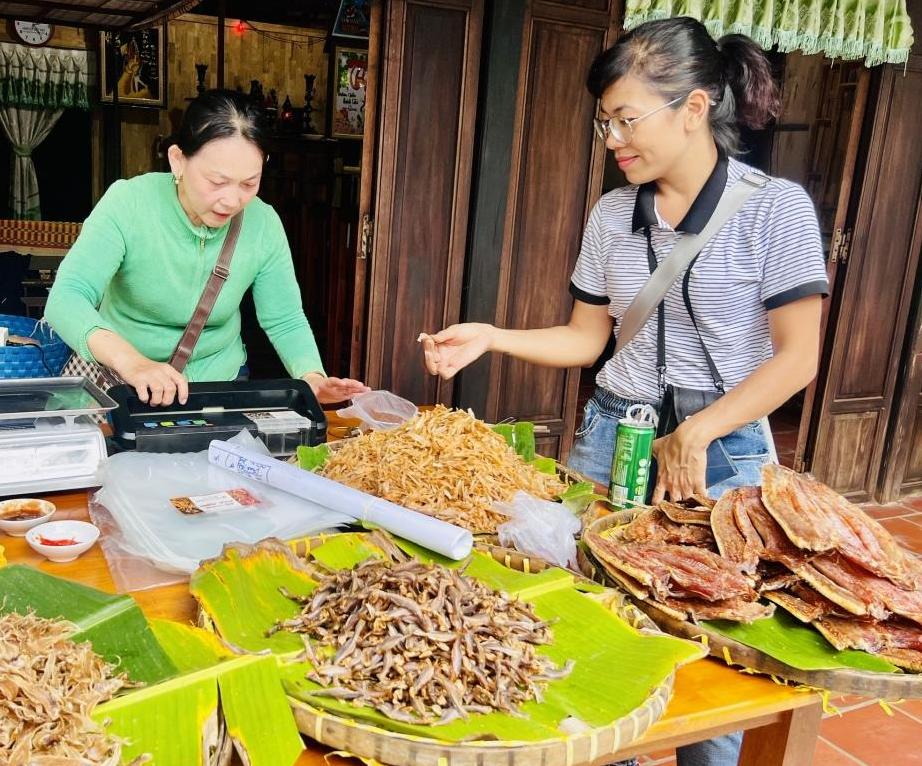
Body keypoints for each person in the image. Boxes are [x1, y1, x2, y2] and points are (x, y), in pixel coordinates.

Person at [422, 17, 828, 766]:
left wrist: (702, 430)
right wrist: (490, 334)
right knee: (597, 627)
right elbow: (587, 339)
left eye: (627, 119)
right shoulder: (614, 215)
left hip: (725, 453)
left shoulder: (776, 209)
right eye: (605, 122)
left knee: (716, 649)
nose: (613, 139)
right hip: (613, 437)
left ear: (696, 107)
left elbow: (797, 358)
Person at [46, 89, 368, 406]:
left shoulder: (263, 224)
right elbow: (67, 297)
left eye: (249, 183)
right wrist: (132, 362)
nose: (232, 200)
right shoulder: (129, 203)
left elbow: (284, 317)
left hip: (217, 385)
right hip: (122, 382)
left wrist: (312, 376)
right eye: (217, 182)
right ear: (178, 160)